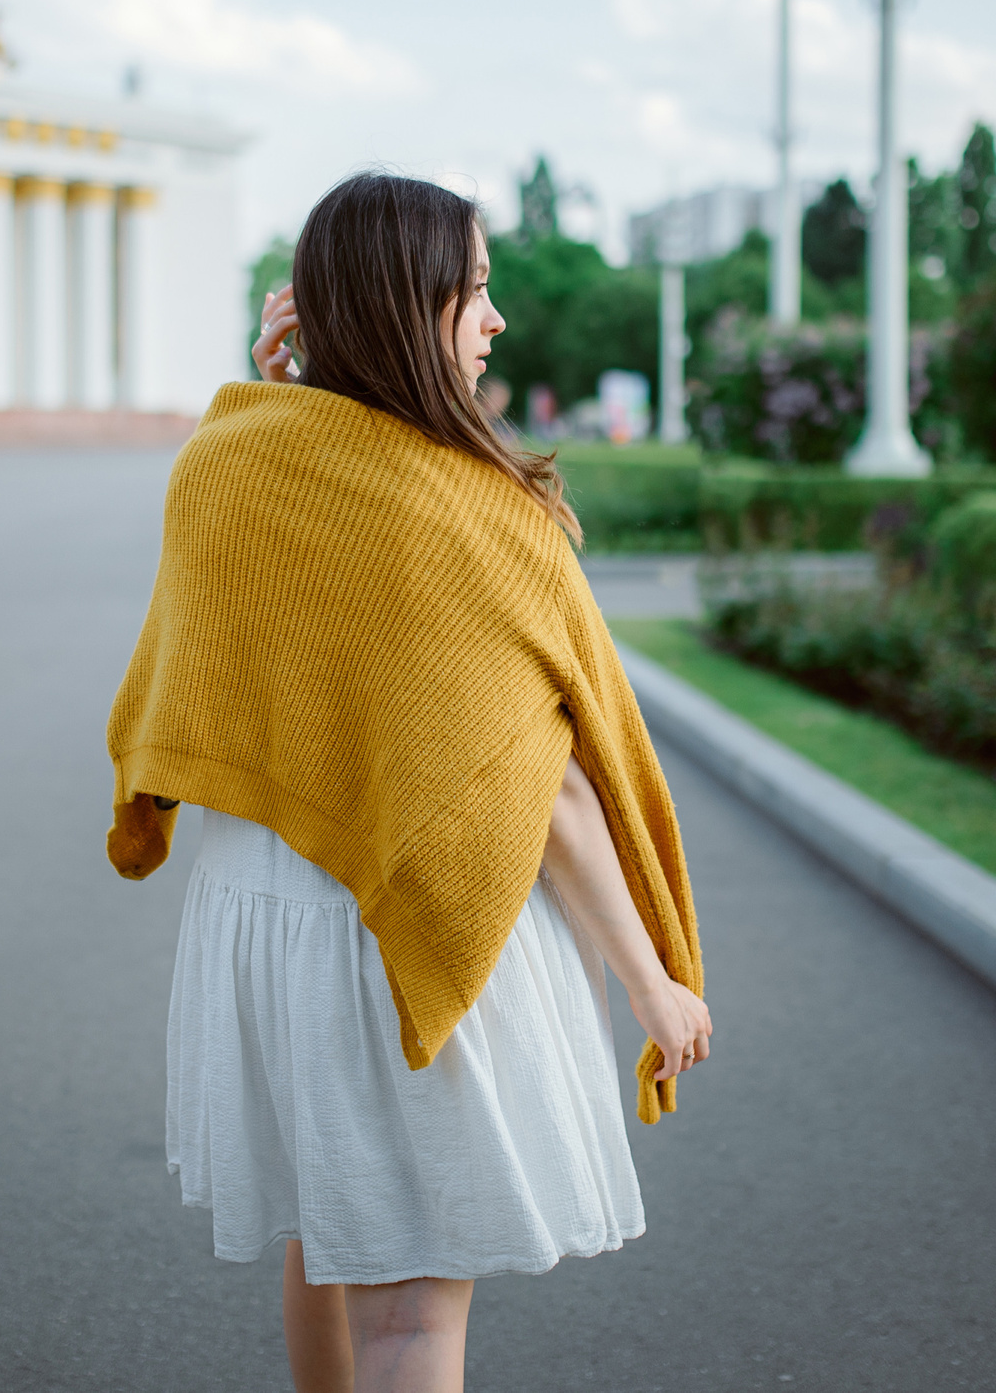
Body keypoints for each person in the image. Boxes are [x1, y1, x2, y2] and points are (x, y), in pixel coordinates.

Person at [105, 172, 711, 1393]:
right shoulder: (460, 504)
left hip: (260, 921)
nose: (495, 320)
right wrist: (653, 979)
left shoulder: (222, 463)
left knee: (329, 1241)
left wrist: (278, 391)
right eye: (474, 289)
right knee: (412, 1316)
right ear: (404, 304)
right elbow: (540, 788)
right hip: (402, 922)